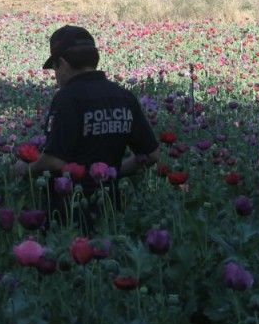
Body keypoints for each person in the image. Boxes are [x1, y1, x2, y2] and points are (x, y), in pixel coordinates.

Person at [13, 25, 159, 233]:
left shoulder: (67, 98)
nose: (56, 75)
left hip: (68, 212)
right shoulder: (124, 96)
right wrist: (111, 173)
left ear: (63, 64)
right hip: (110, 212)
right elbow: (151, 155)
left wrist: (25, 169)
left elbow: (54, 160)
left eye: (54, 68)